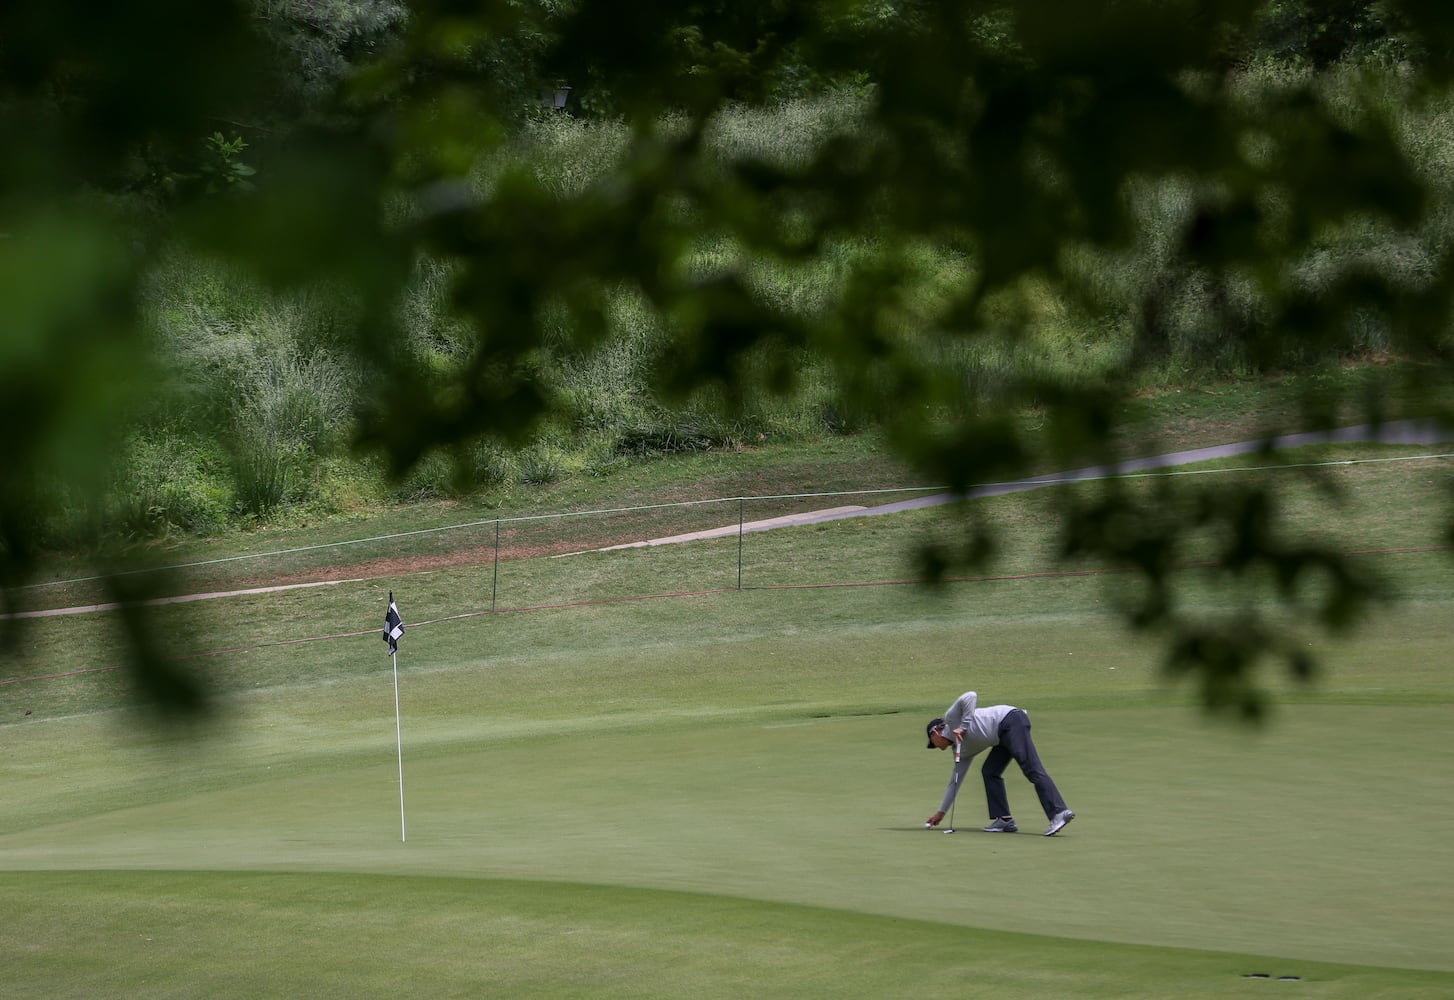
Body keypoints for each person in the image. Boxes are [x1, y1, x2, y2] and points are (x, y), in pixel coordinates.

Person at [924, 690, 1075, 836]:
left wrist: (963, 727)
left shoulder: (951, 718)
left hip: (1011, 720)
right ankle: (1004, 819)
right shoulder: (960, 750)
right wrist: (941, 812)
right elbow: (954, 782)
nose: (935, 747)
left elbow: (971, 695)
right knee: (990, 771)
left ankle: (1058, 812)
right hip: (1001, 738)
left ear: (935, 732)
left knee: (1031, 768)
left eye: (932, 743)